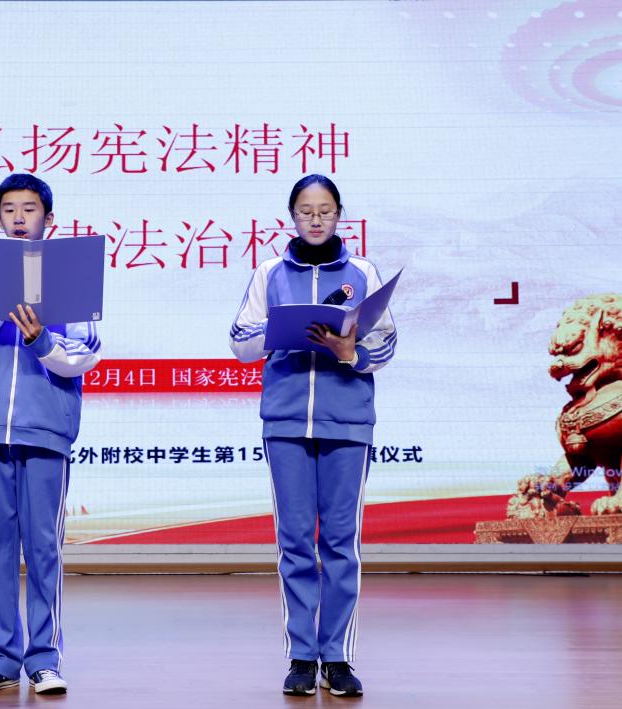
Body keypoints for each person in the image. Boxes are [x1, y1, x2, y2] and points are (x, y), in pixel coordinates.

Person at [229, 174, 397, 697]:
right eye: (306, 211)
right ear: (292, 216)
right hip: (285, 423)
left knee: (341, 542)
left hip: (348, 422)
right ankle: (302, 655)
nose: (316, 219)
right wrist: (279, 329)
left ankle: (338, 657)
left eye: (325, 210)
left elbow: (386, 343)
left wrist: (352, 353)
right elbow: (240, 341)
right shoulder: (270, 273)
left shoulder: (362, 272)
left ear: (340, 214)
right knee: (296, 541)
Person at [0, 174, 101, 695]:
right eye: (9, 208)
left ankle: (44, 660)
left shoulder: (70, 277)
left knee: (43, 547)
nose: (18, 217)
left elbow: (83, 355)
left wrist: (40, 339)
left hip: (47, 428)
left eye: (29, 209)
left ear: (48, 219)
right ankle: (0, 660)